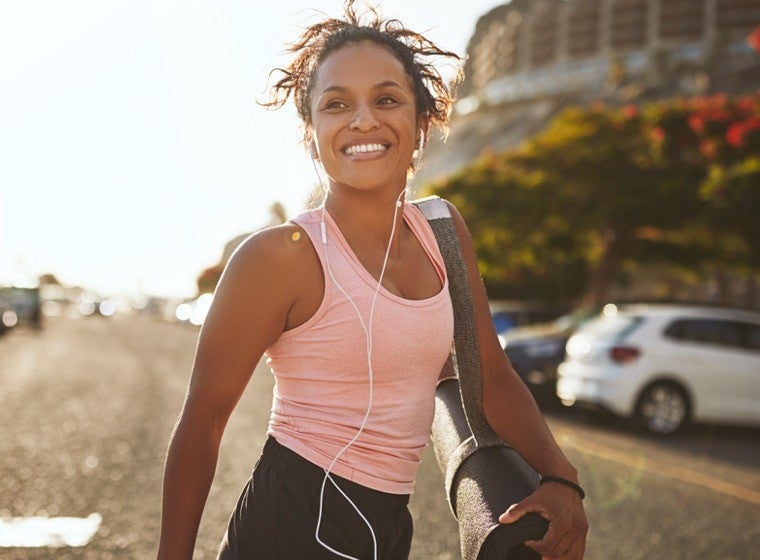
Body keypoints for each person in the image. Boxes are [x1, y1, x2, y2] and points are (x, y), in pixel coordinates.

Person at [156, 2, 588, 559]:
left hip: (387, 526)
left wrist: (562, 477)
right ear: (312, 133)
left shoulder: (443, 232)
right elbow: (204, 419)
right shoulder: (279, 256)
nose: (363, 120)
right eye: (337, 104)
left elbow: (490, 373)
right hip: (291, 519)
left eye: (386, 99)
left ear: (421, 122)